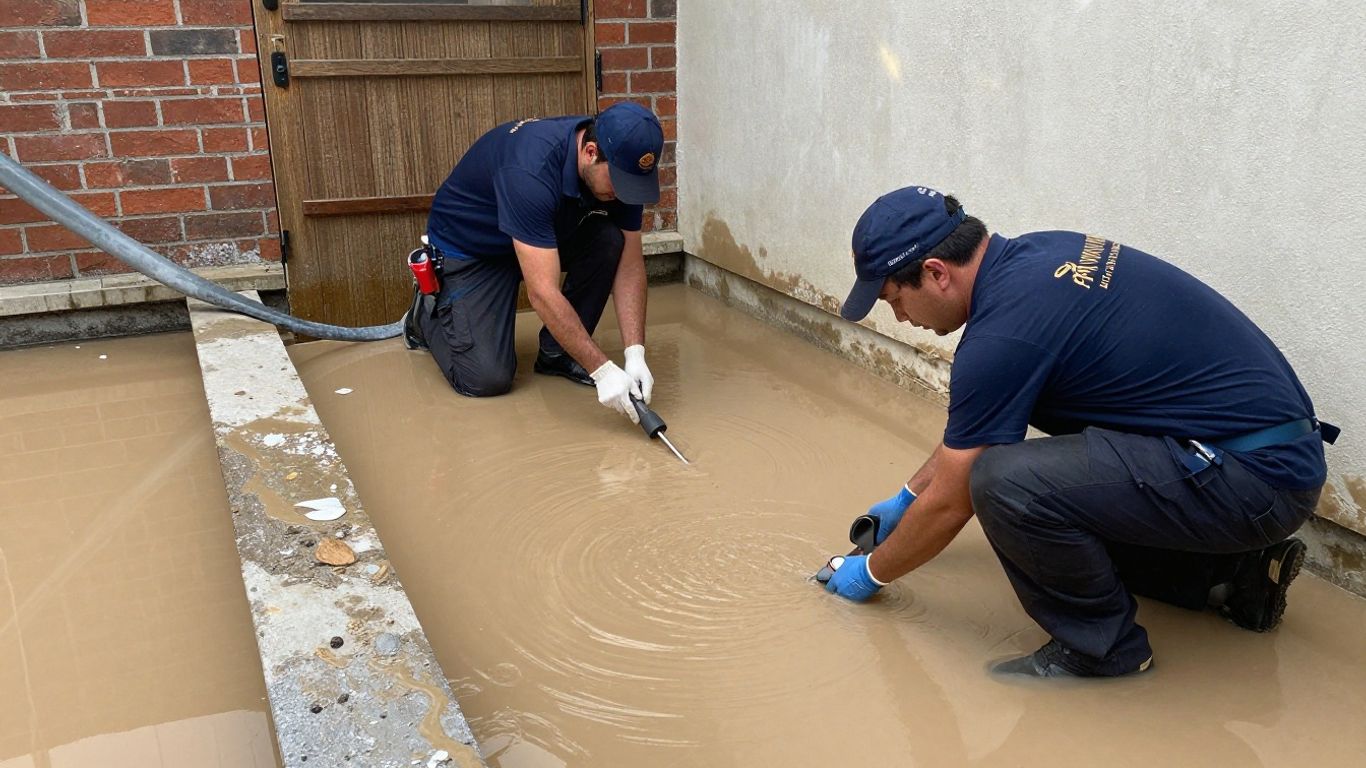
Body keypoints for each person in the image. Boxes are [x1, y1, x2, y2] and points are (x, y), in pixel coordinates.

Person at [823, 185, 1337, 678]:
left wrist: (871, 574)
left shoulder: (1002, 334)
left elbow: (957, 494)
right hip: (1265, 457)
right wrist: (906, 498)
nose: (900, 317)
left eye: (894, 300)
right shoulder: (1040, 255)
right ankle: (1233, 578)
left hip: (1255, 479)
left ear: (936, 272)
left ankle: (1103, 650)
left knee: (1007, 484)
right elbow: (971, 433)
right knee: (1052, 480)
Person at [402, 102, 665, 422]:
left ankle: (557, 353)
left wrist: (634, 353)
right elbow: (542, 292)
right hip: (474, 250)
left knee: (610, 241)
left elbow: (631, 264)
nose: (624, 194)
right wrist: (602, 370)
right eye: (619, 183)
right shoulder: (530, 169)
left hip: (539, 236)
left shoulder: (618, 171)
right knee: (485, 380)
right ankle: (423, 317)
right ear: (591, 151)